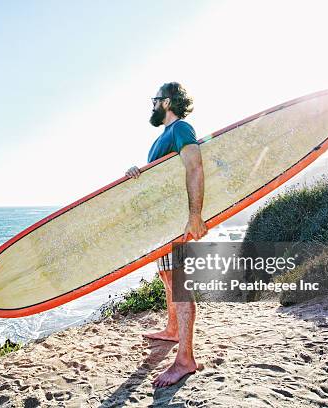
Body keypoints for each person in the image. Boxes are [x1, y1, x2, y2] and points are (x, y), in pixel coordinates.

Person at [125, 82, 208, 387]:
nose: (152, 103)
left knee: (178, 282)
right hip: (163, 226)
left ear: (167, 102)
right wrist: (138, 172)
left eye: (155, 99)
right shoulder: (163, 137)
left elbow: (195, 167)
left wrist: (195, 215)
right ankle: (173, 330)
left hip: (177, 222)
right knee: (166, 278)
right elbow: (161, 178)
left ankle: (185, 359)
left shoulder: (181, 128)